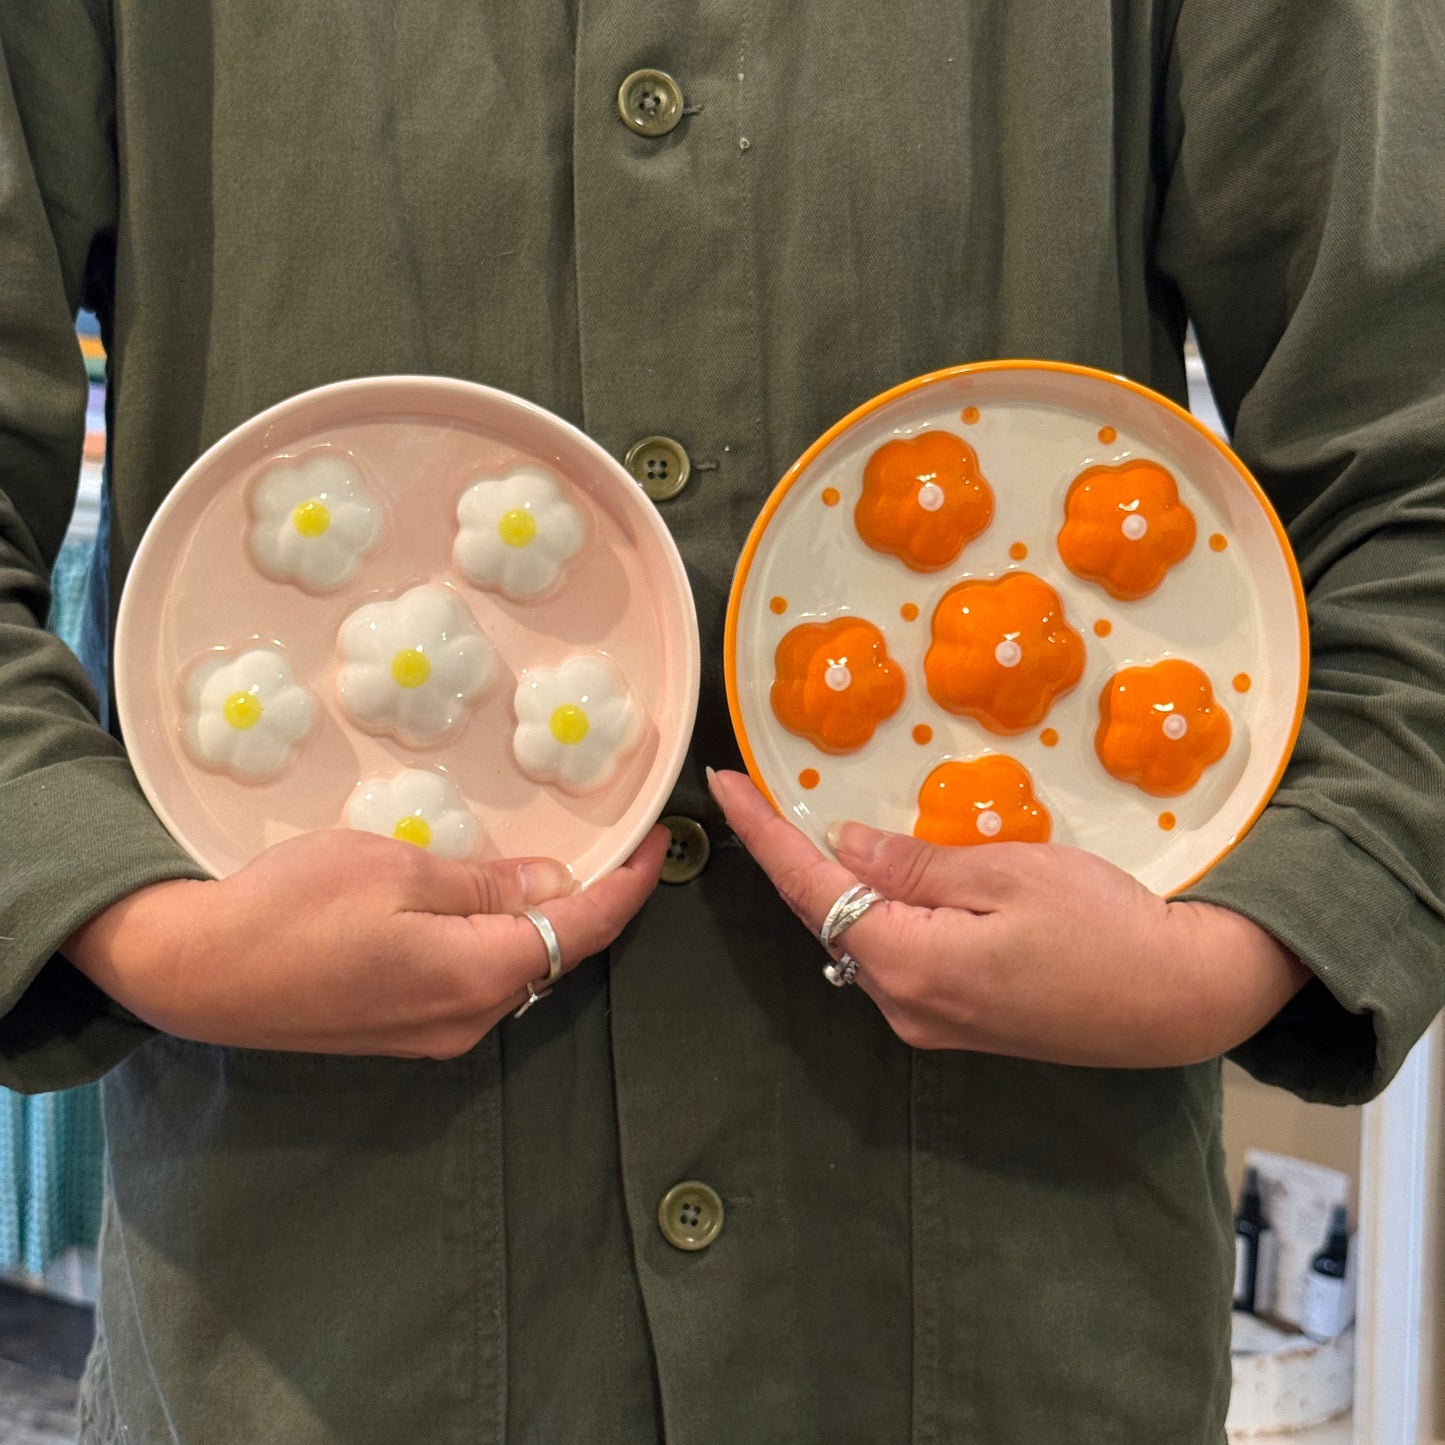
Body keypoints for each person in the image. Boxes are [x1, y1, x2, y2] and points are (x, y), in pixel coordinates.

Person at [1, 1, 1441, 1440]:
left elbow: (1414, 473)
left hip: (1016, 1324)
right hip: (308, 1329)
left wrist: (1250, 945)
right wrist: (132, 926)